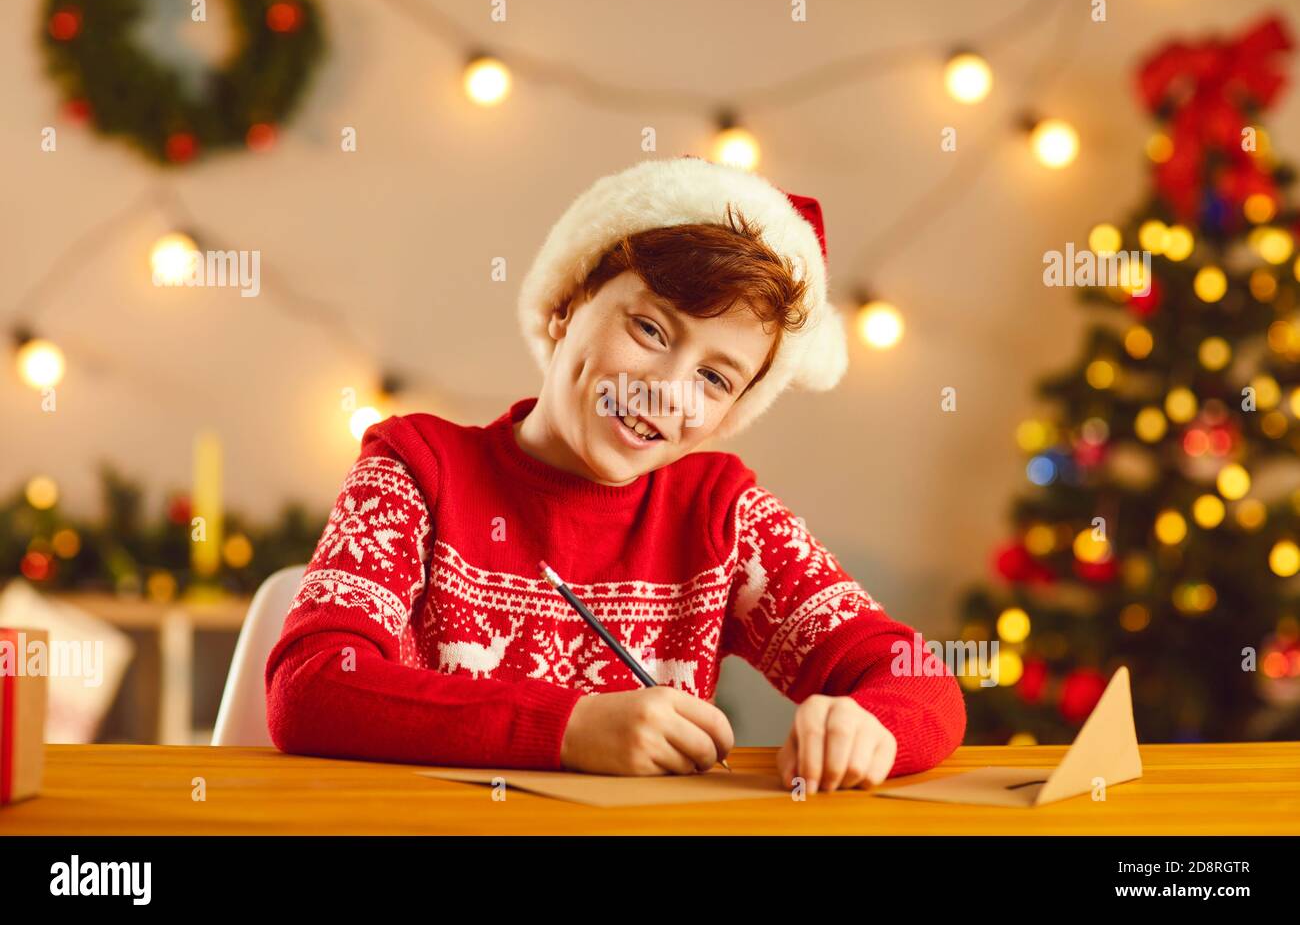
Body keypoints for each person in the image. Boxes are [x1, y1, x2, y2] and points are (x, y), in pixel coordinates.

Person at [265, 155, 966, 792]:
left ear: (728, 416)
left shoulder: (723, 515)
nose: (668, 391)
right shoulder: (417, 466)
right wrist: (568, 728)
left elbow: (918, 678)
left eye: (715, 379)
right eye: (651, 331)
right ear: (569, 304)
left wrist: (871, 727)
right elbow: (311, 687)